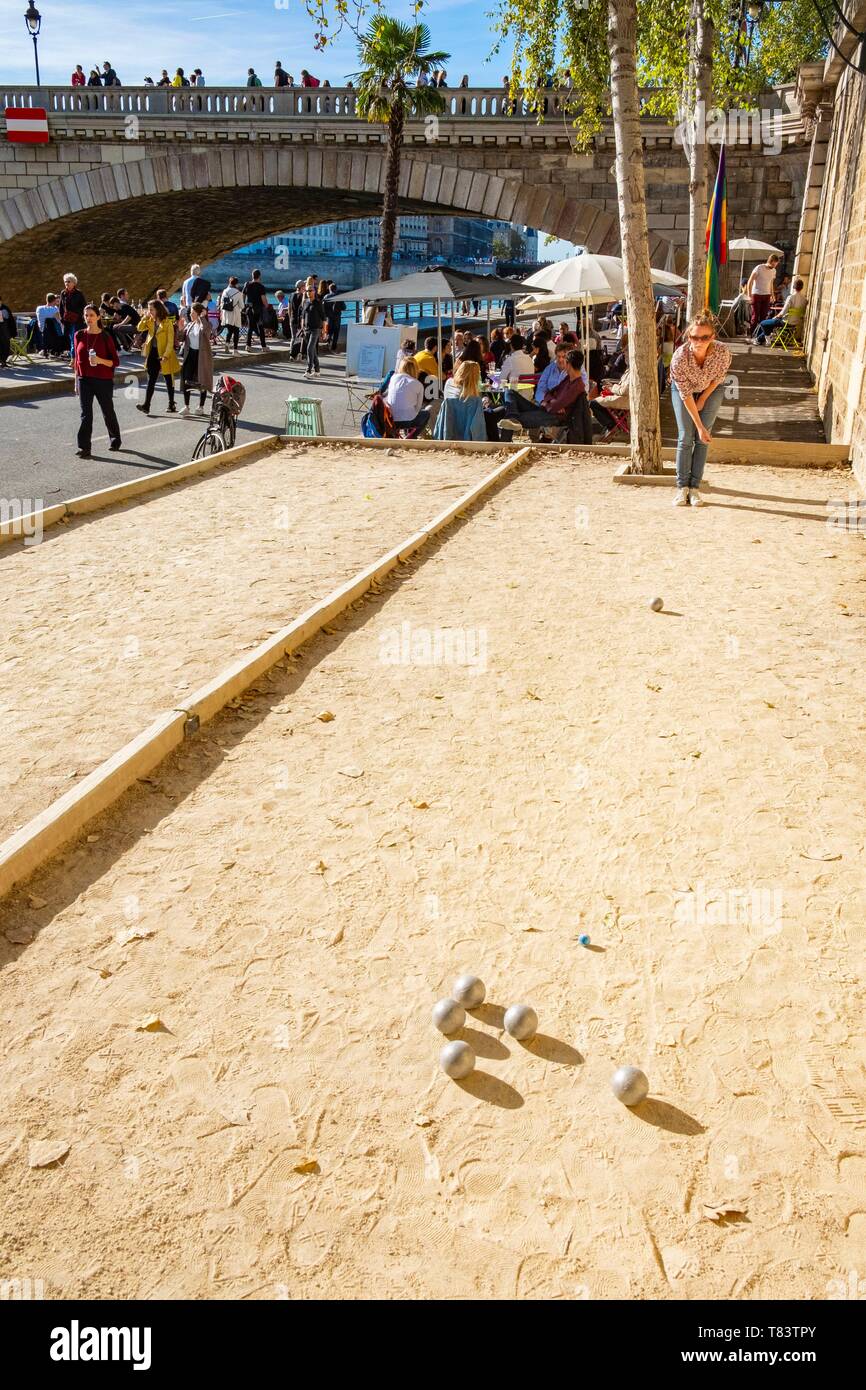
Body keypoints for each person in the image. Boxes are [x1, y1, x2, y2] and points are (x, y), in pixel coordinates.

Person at [669, 310, 732, 506]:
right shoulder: (679, 358)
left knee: (703, 439)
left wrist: (704, 398)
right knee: (686, 436)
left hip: (711, 388)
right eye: (695, 337)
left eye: (705, 337)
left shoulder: (722, 352)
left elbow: (718, 378)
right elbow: (685, 394)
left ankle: (695, 488)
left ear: (712, 337)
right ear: (689, 336)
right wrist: (699, 425)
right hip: (684, 391)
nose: (699, 341)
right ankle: (682, 488)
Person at [487, 349, 586, 440]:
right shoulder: (569, 379)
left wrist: (548, 403)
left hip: (554, 417)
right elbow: (550, 394)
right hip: (546, 410)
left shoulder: (576, 385)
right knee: (509, 392)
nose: (561, 361)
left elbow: (554, 406)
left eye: (564, 359)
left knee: (509, 417)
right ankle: (512, 418)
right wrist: (548, 401)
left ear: (568, 364)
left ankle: (505, 441)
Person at [73, 303, 121, 458]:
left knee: (107, 411)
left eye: (92, 315)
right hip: (84, 379)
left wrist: (99, 360)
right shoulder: (79, 335)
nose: (88, 318)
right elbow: (76, 361)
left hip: (103, 379)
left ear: (98, 317)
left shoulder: (105, 336)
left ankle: (115, 439)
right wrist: (76, 382)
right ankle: (84, 448)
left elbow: (115, 362)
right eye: (86, 315)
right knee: (85, 414)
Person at [136, 299, 180, 414]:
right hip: (152, 353)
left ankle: (171, 404)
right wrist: (145, 317)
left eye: (151, 309)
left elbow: (170, 342)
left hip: (165, 354)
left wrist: (165, 355)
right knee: (151, 380)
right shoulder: (149, 320)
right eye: (149, 309)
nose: (149, 311)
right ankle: (146, 405)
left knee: (168, 380)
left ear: (158, 310)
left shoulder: (167, 323)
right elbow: (139, 328)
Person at [179, 302, 214, 416]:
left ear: (199, 313)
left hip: (201, 356)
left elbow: (206, 332)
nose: (190, 314)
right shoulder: (190, 325)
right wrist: (180, 328)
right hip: (190, 355)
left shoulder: (206, 324)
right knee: (186, 380)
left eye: (193, 312)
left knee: (202, 381)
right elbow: (182, 339)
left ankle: (201, 407)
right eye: (190, 312)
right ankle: (187, 406)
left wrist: (203, 317)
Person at [753, 277, 807, 345]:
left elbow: (783, 312)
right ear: (802, 288)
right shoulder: (804, 299)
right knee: (770, 324)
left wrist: (776, 316)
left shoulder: (791, 297)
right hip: (795, 323)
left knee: (763, 323)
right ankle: (759, 339)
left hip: (785, 322)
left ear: (793, 287)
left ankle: (767, 340)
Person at [385, 358, 429, 434]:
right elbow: (418, 408)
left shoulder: (393, 378)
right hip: (408, 421)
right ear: (416, 369)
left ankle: (396, 434)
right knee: (426, 414)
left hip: (391, 419)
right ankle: (411, 436)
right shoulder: (418, 384)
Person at [746, 254, 780, 337]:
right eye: (774, 264)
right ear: (770, 261)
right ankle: (751, 334)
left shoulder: (774, 271)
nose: (775, 266)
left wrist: (772, 295)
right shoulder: (759, 268)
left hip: (767, 295)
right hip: (756, 294)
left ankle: (760, 336)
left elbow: (771, 283)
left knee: (764, 316)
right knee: (755, 315)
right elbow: (750, 281)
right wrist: (749, 295)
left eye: (776, 264)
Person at [59, 273, 87, 356]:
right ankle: (74, 357)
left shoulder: (79, 293)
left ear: (74, 283)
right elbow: (61, 307)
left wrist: (79, 315)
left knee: (74, 339)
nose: (66, 283)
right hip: (68, 321)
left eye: (68, 281)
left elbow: (84, 307)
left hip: (77, 321)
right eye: (65, 282)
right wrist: (62, 319)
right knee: (71, 339)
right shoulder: (63, 293)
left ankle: (74, 358)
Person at [301, 285, 325, 376]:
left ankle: (308, 370)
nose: (308, 292)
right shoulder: (305, 302)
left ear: (314, 291)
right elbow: (303, 315)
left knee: (309, 348)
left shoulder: (318, 303)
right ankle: (317, 370)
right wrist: (302, 327)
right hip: (307, 329)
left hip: (316, 329)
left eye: (310, 290)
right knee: (313, 350)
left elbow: (324, 318)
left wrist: (324, 331)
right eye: (307, 291)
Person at [243, 268, 269, 351]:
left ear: (252, 276)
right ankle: (264, 346)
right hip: (258, 309)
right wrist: (267, 305)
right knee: (260, 327)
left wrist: (244, 305)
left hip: (249, 308)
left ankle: (248, 345)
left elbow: (243, 296)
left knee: (250, 327)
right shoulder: (261, 287)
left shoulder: (247, 284)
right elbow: (263, 299)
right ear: (259, 276)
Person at [220, 276, 243, 350]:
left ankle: (227, 343)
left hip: (226, 314)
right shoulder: (238, 293)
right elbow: (242, 306)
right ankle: (235, 350)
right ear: (236, 284)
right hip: (235, 314)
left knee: (229, 331)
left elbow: (222, 303)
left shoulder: (225, 291)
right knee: (236, 332)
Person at [0, 299, 15, 368]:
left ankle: (3, 361)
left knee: (5, 344)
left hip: (5, 330)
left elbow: (11, 321)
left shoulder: (5, 308)